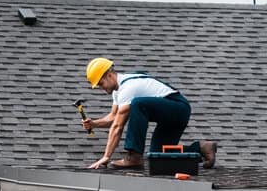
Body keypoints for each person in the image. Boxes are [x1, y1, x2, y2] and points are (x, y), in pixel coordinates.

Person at [81, 57, 217, 170]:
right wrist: (94, 124)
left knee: (137, 104)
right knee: (157, 156)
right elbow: (112, 118)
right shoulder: (118, 91)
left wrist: (106, 156)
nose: (101, 88)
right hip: (170, 113)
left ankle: (134, 156)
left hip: (178, 107)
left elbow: (118, 125)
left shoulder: (128, 88)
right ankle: (201, 148)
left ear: (109, 75)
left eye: (101, 83)